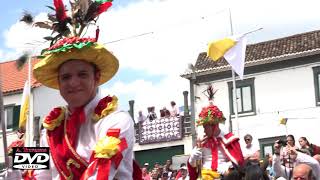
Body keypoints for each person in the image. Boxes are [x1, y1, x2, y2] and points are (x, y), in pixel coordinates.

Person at [188, 103, 244, 180]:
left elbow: (239, 161)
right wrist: (192, 158)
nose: (204, 130)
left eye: (205, 127)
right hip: (205, 175)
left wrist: (228, 165)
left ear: (213, 126)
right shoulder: (201, 141)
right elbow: (194, 168)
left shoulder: (230, 139)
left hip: (225, 174)